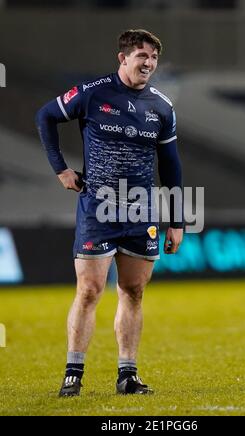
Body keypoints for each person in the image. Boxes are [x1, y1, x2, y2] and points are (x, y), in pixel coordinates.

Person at [36, 29, 183, 396]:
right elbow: (45, 116)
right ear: (123, 58)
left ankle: (127, 376)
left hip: (141, 212)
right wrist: (61, 169)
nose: (148, 63)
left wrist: (177, 220)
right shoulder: (92, 93)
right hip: (98, 208)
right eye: (141, 56)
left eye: (153, 58)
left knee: (133, 291)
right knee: (88, 290)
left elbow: (171, 166)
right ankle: (73, 374)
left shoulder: (162, 107)